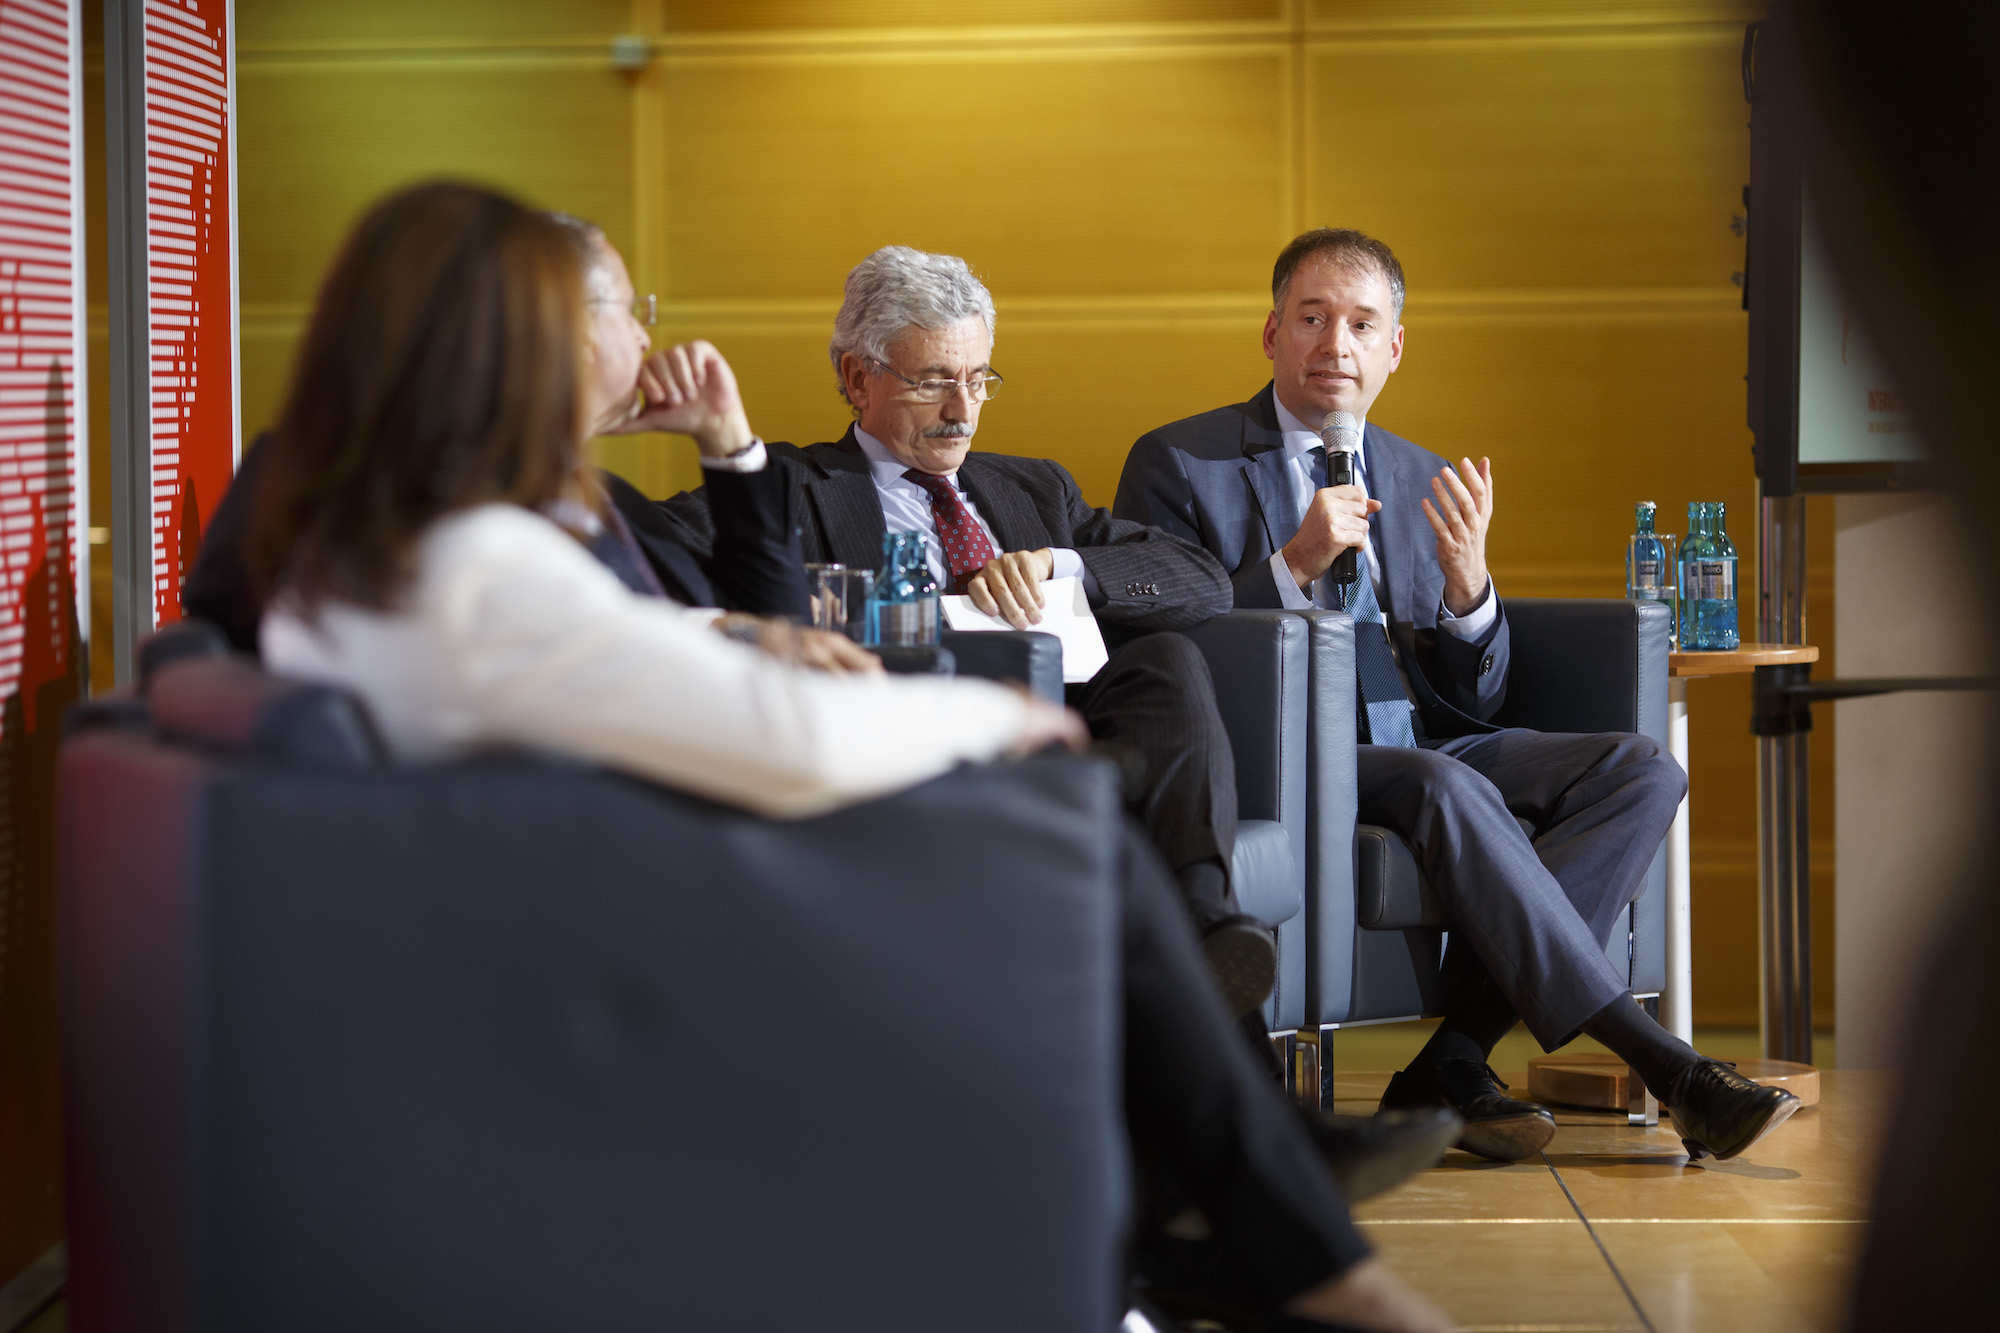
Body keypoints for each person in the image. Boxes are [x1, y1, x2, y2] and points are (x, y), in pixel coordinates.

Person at [244, 181, 1452, 1333]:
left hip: (603, 866)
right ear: (530, 340)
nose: (647, 332)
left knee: (1108, 800)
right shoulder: (489, 564)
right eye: (623, 307)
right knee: (1077, 836)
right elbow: (772, 733)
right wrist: (998, 722)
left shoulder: (386, 546)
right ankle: (1258, 1223)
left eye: (977, 377)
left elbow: (608, 645)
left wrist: (712, 624)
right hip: (661, 903)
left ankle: (1227, 1214)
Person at [1114, 226, 1801, 1163]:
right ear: (1270, 333)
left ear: (1394, 347)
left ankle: (1454, 1054)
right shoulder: (1179, 462)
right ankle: (1670, 1067)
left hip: (1424, 737)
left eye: (1362, 325)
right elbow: (1165, 639)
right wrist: (1291, 564)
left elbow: (1481, 685)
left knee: (1641, 767)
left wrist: (1473, 592)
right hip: (1282, 753)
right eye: (1312, 320)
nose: (1335, 346)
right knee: (1446, 787)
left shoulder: (1416, 472)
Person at [655, 246, 1284, 1019]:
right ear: (858, 379)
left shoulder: (1031, 488)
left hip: (1066, 732)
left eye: (979, 377)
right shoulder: (788, 488)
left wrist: (1061, 566)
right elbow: (647, 559)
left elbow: (1204, 577)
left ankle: (1207, 918)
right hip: (916, 745)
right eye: (931, 381)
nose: (963, 407)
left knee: (1168, 657)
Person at [185, 216, 814, 650]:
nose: (648, 335)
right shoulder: (431, 503)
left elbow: (778, 625)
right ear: (570, 327)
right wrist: (718, 634)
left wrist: (727, 441)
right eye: (630, 310)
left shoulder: (607, 499)